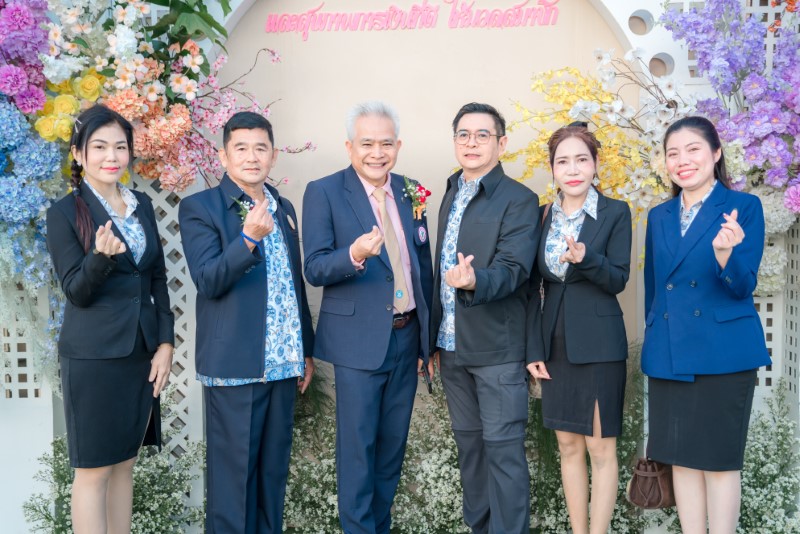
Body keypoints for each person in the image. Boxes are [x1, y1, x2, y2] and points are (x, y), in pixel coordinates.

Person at [178, 111, 315, 534]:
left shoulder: (283, 207)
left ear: (273, 156)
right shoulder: (200, 208)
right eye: (241, 148)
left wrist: (306, 351)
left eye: (260, 148)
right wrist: (249, 239)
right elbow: (209, 280)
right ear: (224, 156)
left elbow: (293, 284)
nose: (252, 157)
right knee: (233, 488)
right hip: (235, 368)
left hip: (283, 365)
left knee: (271, 481)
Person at [302, 101, 433, 534]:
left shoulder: (411, 190)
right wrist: (354, 254)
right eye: (367, 144)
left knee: (391, 451)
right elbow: (314, 267)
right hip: (357, 342)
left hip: (406, 336)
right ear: (349, 147)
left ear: (398, 145)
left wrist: (427, 341)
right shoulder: (324, 191)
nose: (377, 153)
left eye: (386, 144)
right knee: (358, 453)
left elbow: (422, 266)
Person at [46, 105, 174, 534]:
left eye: (120, 147)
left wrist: (165, 344)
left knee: (124, 464)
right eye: (99, 147)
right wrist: (100, 257)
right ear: (79, 154)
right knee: (94, 470)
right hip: (94, 358)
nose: (111, 156)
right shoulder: (64, 212)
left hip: (140, 355)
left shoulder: (141, 206)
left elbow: (157, 278)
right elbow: (76, 291)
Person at [642, 116, 770, 533]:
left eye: (693, 149)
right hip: (670, 353)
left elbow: (743, 286)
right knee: (681, 461)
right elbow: (655, 290)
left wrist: (724, 255)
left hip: (723, 353)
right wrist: (654, 340)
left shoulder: (742, 207)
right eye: (673, 153)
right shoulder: (659, 215)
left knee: (718, 463)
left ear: (715, 153)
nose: (682, 160)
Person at [431, 102, 539, 534]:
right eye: (463, 134)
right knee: (471, 454)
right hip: (451, 348)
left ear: (502, 143)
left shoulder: (519, 199)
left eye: (482, 135)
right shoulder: (451, 192)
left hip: (496, 351)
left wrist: (474, 280)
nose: (471, 143)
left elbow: (515, 270)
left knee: (504, 454)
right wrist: (431, 341)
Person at [526, 124, 631, 534]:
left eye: (581, 159)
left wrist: (586, 259)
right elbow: (531, 289)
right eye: (563, 161)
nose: (572, 169)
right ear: (552, 168)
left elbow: (618, 278)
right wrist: (533, 349)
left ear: (596, 164)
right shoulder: (541, 216)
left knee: (600, 449)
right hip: (553, 344)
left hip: (600, 346)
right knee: (568, 446)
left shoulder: (615, 212)